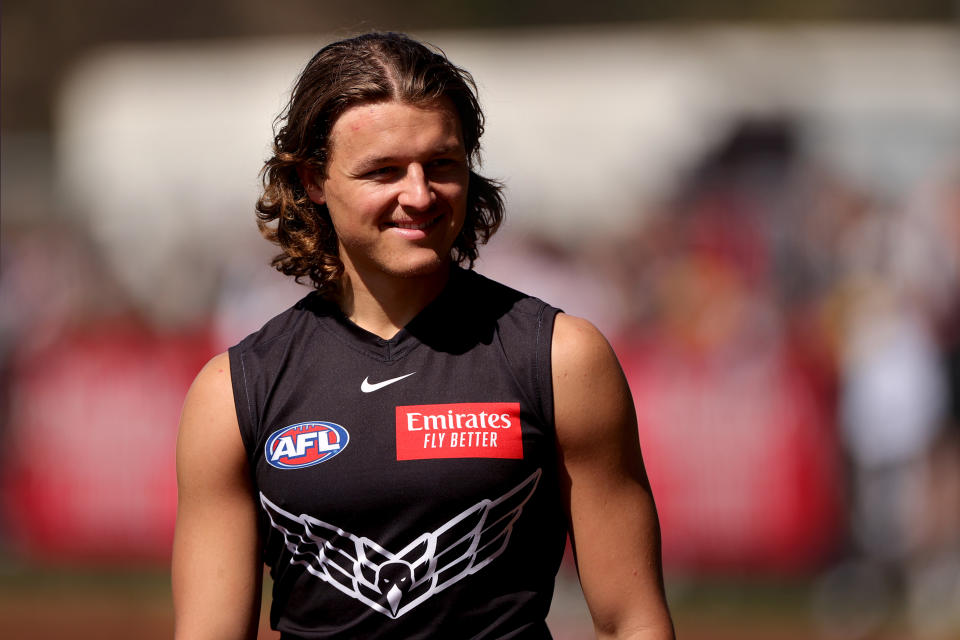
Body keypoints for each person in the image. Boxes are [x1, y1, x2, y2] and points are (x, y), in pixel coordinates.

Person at [172, 32, 674, 639]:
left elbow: (632, 620)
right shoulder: (234, 392)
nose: (419, 195)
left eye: (441, 164)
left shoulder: (561, 359)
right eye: (383, 171)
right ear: (312, 180)